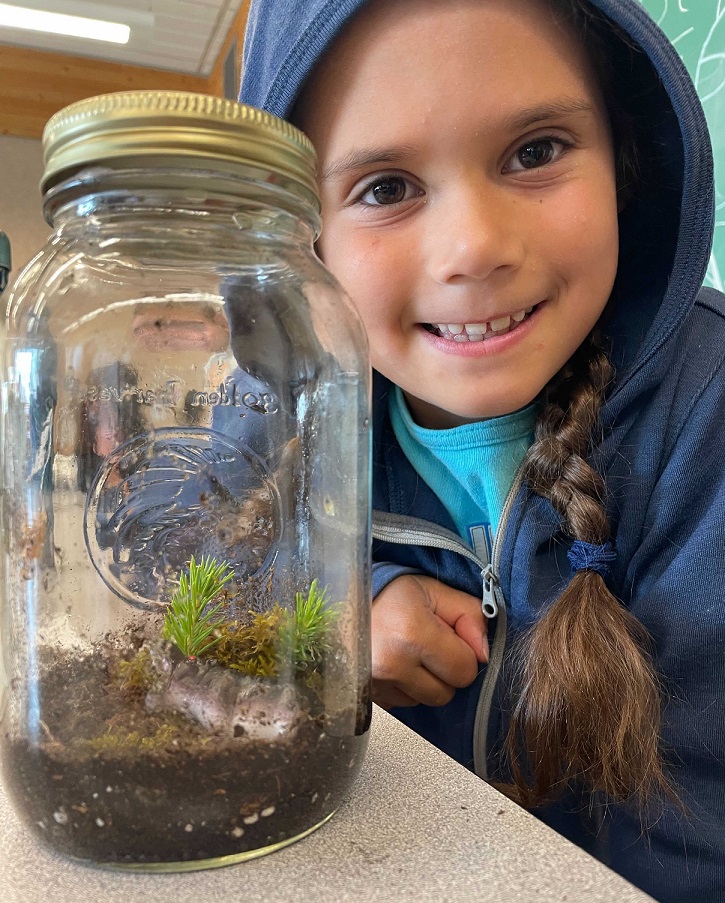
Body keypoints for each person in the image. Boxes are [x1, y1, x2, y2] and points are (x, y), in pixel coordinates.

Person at [239, 1, 725, 900]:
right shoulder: (288, 415)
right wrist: (353, 605)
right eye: (384, 187)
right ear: (301, 235)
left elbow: (694, 846)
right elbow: (203, 570)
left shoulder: (706, 420)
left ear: (624, 159)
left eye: (535, 150)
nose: (473, 248)